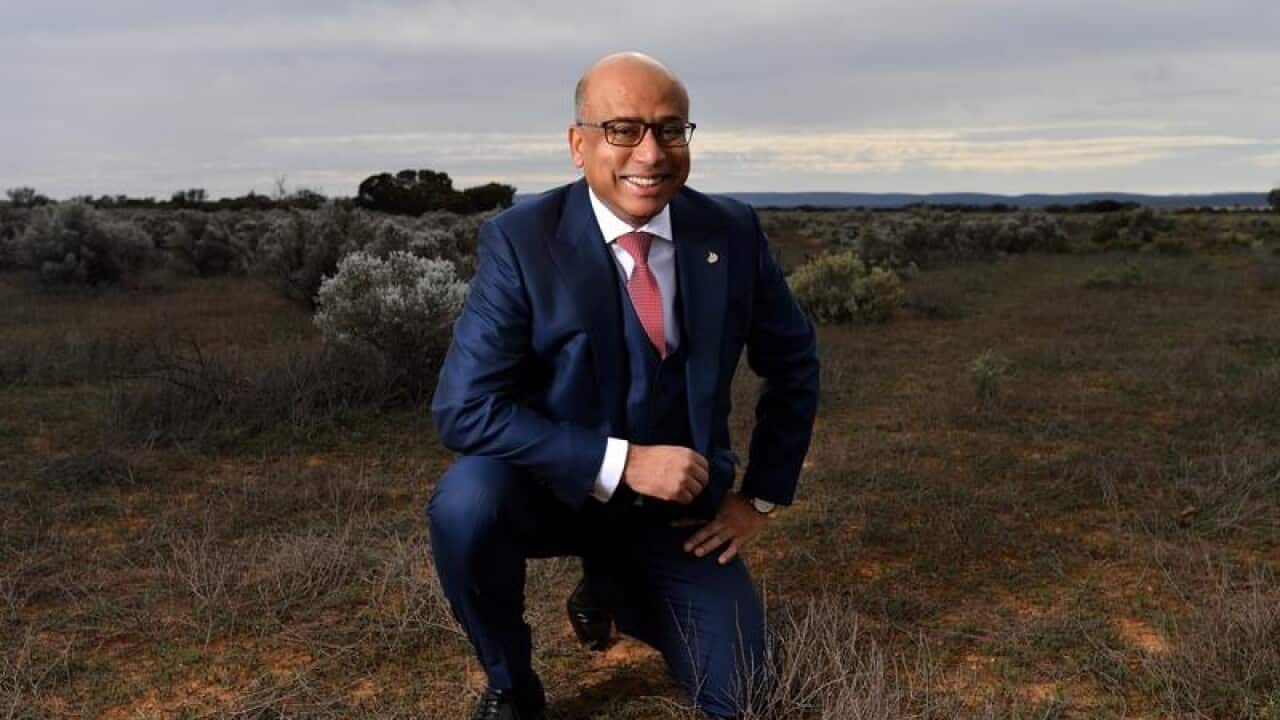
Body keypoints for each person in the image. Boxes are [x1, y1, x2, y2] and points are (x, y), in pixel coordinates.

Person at [428, 51, 819, 720]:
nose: (651, 152)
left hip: (679, 510)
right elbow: (465, 409)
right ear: (578, 144)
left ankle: (612, 586)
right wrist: (626, 462)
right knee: (466, 504)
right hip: (550, 492)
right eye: (623, 129)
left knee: (744, 699)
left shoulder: (731, 231)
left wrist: (759, 497)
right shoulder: (521, 240)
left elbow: (795, 360)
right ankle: (511, 683)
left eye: (670, 129)